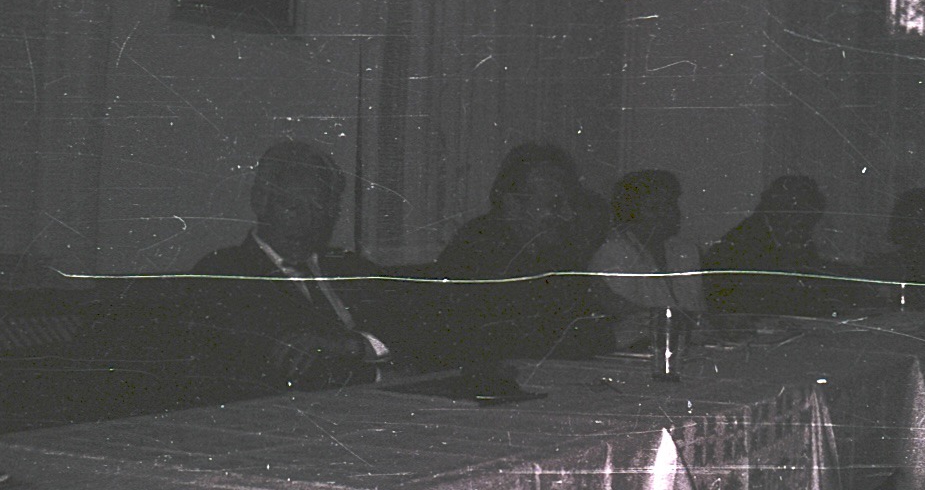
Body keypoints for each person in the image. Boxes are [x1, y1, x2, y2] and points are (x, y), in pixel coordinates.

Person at [184, 139, 405, 396]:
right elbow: (284, 368)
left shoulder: (350, 266)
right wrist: (380, 373)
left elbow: (410, 333)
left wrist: (352, 346)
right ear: (260, 202)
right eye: (292, 207)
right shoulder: (225, 273)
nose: (308, 222)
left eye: (319, 208)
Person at [433, 142, 611, 369]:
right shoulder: (482, 247)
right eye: (554, 204)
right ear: (513, 204)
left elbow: (579, 313)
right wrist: (608, 338)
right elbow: (509, 340)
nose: (569, 215)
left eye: (570, 203)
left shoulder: (552, 248)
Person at [703, 175, 855, 316]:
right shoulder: (744, 242)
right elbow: (773, 299)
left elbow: (812, 278)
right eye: (798, 213)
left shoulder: (788, 234)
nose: (806, 224)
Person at [590, 169, 704, 348]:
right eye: (654, 208)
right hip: (633, 350)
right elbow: (633, 320)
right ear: (630, 213)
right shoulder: (614, 253)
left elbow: (696, 311)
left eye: (671, 204)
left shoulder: (686, 251)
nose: (668, 214)